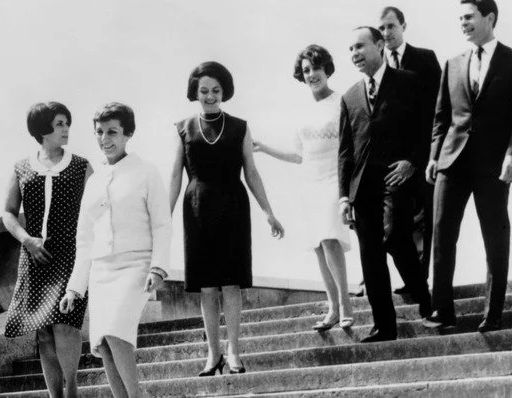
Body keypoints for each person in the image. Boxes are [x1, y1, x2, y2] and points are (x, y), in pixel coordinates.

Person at [426, 0, 512, 333]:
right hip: (451, 161)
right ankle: (442, 311)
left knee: (494, 236)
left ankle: (494, 313)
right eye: (460, 18)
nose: (464, 23)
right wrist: (433, 156)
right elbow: (441, 117)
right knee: (442, 234)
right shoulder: (452, 63)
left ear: (490, 18)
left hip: (493, 164)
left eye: (470, 16)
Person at [168, 61, 285, 375]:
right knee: (207, 287)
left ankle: (233, 352)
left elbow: (252, 172)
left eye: (215, 90)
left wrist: (268, 212)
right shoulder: (183, 128)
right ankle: (213, 353)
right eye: (204, 90)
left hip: (233, 205)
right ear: (195, 91)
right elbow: (175, 177)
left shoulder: (240, 126)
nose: (209, 96)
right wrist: (163, 218)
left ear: (224, 92)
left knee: (231, 284)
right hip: (196, 209)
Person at [59, 102, 172, 398]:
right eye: (99, 132)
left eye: (112, 131)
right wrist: (74, 288)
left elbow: (162, 224)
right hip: (100, 271)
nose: (104, 138)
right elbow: (84, 238)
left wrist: (158, 267)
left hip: (135, 266)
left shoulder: (146, 172)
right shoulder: (94, 181)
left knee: (116, 331)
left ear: (128, 133)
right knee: (103, 343)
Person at [338, 27, 434, 343]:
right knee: (370, 254)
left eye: (360, 46)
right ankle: (384, 326)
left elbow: (427, 127)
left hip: (398, 176)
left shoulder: (407, 81)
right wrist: (343, 197)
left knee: (395, 236)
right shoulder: (350, 96)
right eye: (350, 48)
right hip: (362, 185)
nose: (355, 53)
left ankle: (425, 298)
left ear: (379, 45)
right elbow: (345, 150)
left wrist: (413, 162)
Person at [253, 45, 354, 331]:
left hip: (335, 179)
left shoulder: (342, 101)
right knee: (319, 246)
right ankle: (333, 308)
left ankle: (346, 305)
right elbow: (299, 155)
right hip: (310, 181)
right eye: (307, 70)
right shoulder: (301, 111)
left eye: (316, 68)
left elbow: (351, 146)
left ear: (326, 69)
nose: (312, 74)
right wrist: (264, 148)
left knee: (330, 238)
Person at [3, 101, 91, 398]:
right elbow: (8, 213)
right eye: (59, 124)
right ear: (43, 130)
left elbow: (97, 210)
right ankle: (55, 395)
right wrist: (27, 239)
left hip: (72, 254)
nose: (66, 129)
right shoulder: (22, 167)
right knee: (44, 331)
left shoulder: (81, 166)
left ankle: (72, 389)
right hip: (36, 257)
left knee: (66, 324)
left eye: (67, 123)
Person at [378, 6, 442, 295]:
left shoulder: (424, 59)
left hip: (424, 154)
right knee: (396, 224)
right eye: (382, 28)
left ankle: (422, 280)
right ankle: (414, 277)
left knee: (424, 219)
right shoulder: (379, 65)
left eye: (391, 26)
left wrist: (424, 156)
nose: (387, 32)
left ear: (404, 25)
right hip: (393, 160)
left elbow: (439, 109)